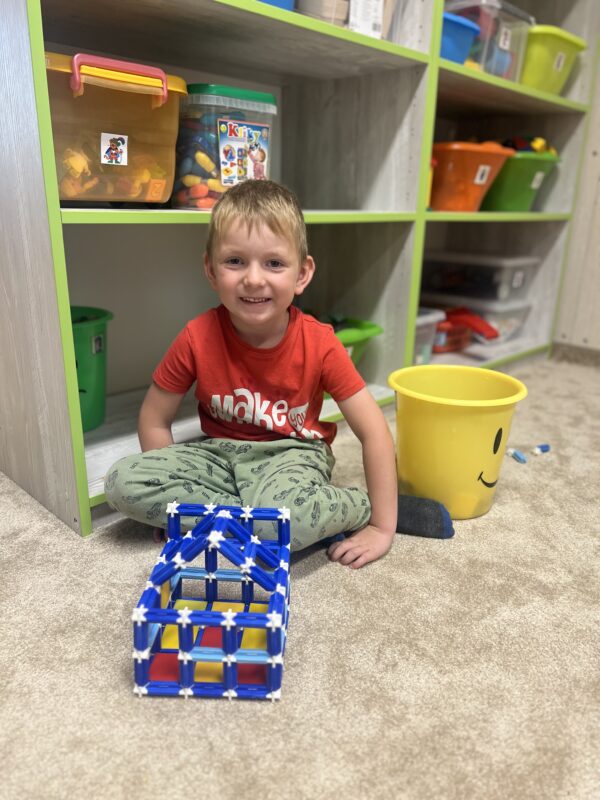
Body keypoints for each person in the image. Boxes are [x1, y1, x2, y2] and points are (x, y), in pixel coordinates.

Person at [105, 180, 448, 571]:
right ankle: (255, 517)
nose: (254, 278)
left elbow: (374, 432)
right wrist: (171, 508)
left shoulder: (321, 343)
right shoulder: (196, 336)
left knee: (288, 520)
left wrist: (382, 526)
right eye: (235, 261)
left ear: (302, 274)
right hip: (218, 456)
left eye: (274, 263)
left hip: (292, 455)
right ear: (211, 270)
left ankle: (357, 506)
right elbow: (154, 419)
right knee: (122, 483)